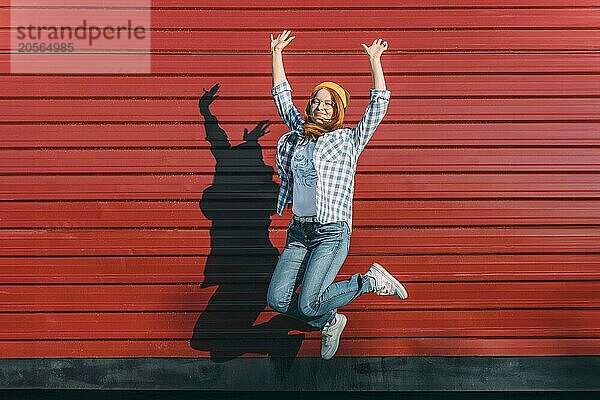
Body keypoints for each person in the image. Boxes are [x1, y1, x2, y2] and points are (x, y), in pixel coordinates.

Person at [266, 30, 408, 360]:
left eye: (328, 104)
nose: (320, 106)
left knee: (308, 301)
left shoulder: (347, 142)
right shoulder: (297, 136)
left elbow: (379, 105)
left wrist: (374, 61)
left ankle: (368, 282)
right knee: (277, 299)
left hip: (331, 232)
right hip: (299, 232)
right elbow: (281, 96)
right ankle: (331, 320)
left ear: (337, 111)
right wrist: (276, 54)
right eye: (316, 100)